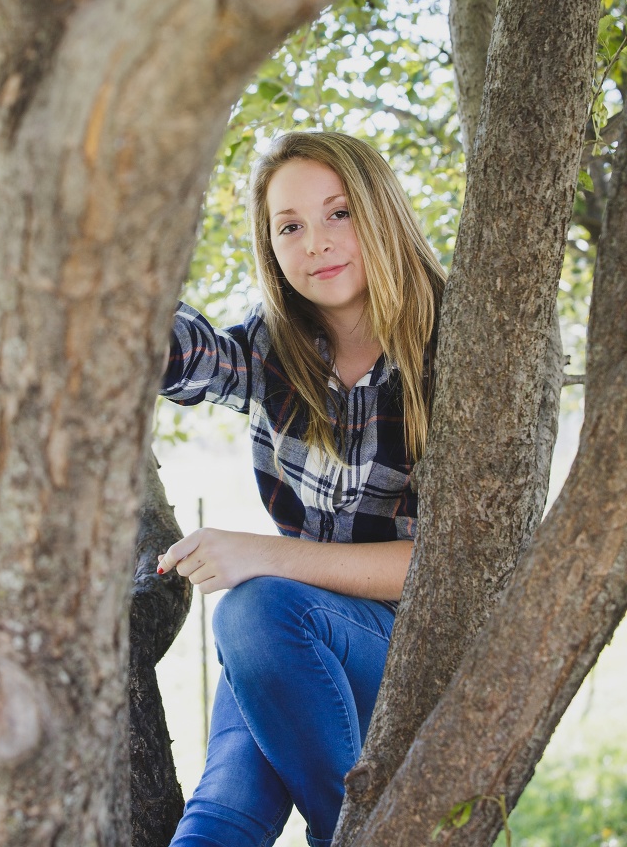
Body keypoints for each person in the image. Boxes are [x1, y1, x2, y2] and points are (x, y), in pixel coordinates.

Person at [157, 130, 445, 847]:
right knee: (221, 810)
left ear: (381, 211)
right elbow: (188, 357)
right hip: (292, 638)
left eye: (338, 213)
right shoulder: (274, 347)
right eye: (290, 226)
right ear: (271, 247)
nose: (316, 242)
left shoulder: (455, 346)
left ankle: (353, 834)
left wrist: (263, 555)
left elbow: (448, 568)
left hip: (409, 651)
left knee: (253, 613)